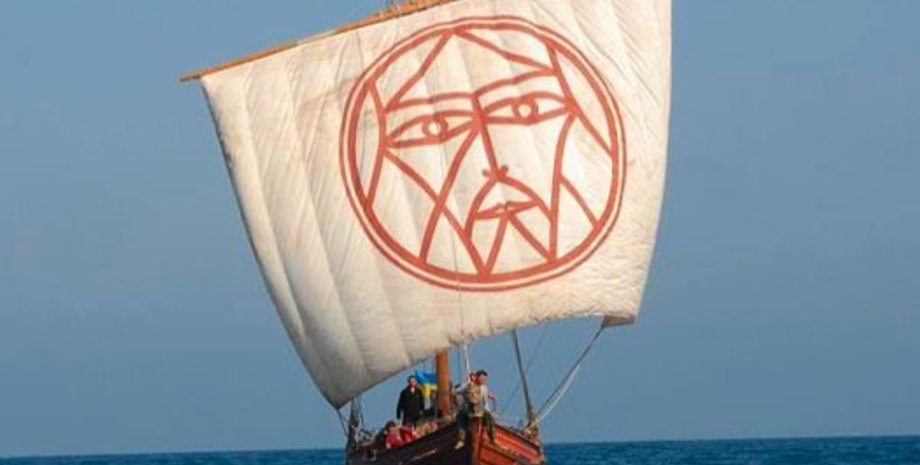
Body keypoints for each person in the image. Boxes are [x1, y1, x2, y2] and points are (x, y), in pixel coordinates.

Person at [455, 369, 496, 448]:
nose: (483, 380)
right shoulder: (468, 385)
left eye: (484, 379)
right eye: (482, 378)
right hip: (468, 409)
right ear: (476, 377)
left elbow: (484, 402)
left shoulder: (484, 388)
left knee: (489, 418)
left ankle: (492, 438)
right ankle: (461, 439)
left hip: (480, 409)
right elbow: (457, 391)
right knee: (460, 417)